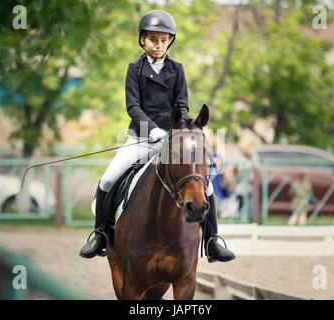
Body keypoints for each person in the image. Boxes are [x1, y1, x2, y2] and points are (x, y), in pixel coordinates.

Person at [79, 10, 235, 263]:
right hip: (142, 136)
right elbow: (133, 107)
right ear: (143, 40)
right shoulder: (134, 70)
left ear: (169, 41)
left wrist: (177, 131)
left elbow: (182, 105)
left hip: (173, 138)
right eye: (153, 39)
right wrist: (152, 130)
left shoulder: (177, 69)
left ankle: (212, 241)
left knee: (205, 185)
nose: (158, 45)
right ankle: (100, 235)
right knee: (107, 180)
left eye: (163, 40)